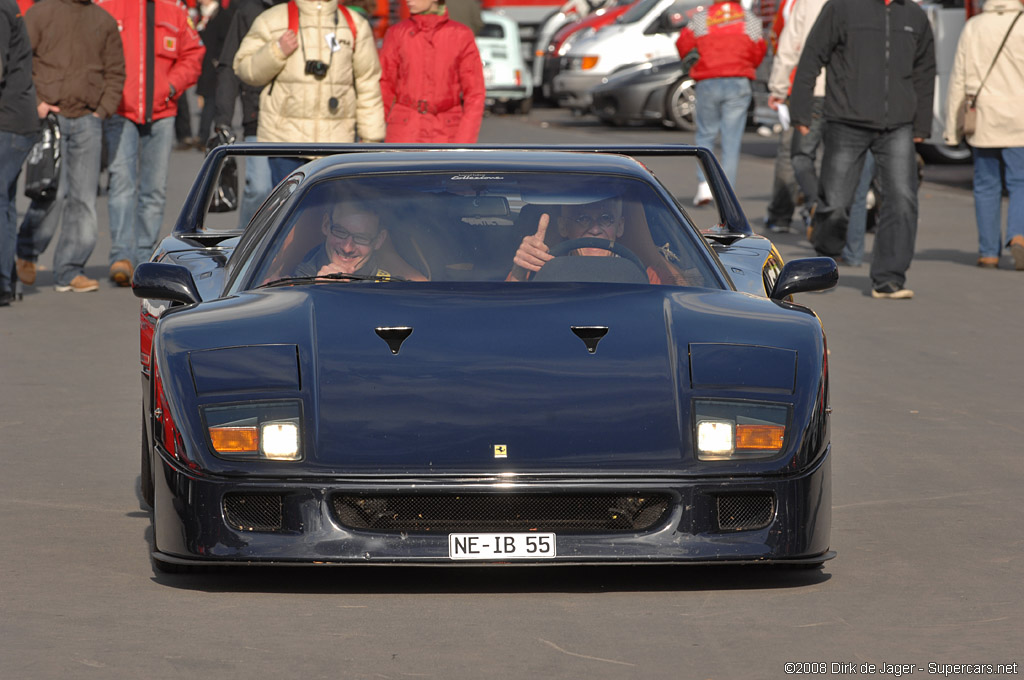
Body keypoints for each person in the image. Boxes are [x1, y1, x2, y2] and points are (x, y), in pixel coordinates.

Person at [789, 0, 935, 299]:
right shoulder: (841, 7)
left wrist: (921, 125)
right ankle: (825, 258)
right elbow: (812, 55)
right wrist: (800, 110)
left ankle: (889, 279)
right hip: (846, 119)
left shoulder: (914, 15)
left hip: (897, 124)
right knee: (836, 202)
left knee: (902, 200)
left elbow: (925, 70)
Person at [14, 0, 125, 294]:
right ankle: (26, 252)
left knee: (84, 200)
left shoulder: (104, 20)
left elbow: (116, 71)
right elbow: (21, 59)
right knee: (49, 193)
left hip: (89, 119)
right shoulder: (41, 12)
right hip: (50, 117)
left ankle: (69, 270)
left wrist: (102, 110)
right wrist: (36, 103)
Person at [96, 0, 204, 286]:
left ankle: (144, 258)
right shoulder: (110, 7)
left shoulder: (174, 10)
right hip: (121, 110)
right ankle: (121, 256)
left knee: (153, 188)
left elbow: (193, 53)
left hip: (162, 111)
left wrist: (170, 86)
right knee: (121, 183)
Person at [233, 0, 386, 185]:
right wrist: (277, 51)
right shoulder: (273, 19)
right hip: (285, 142)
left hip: (336, 144)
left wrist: (371, 139)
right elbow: (244, 68)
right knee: (291, 211)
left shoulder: (354, 24)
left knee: (329, 212)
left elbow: (368, 82)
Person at [943, 0, 1024, 270]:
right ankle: (1018, 235)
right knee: (1020, 182)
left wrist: (951, 131)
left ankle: (988, 252)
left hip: (982, 118)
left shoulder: (973, 27)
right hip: (1019, 119)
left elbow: (958, 79)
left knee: (986, 185)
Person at [674, 0, 766, 207]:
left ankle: (704, 186)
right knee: (731, 141)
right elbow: (759, 49)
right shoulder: (749, 19)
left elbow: (683, 43)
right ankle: (727, 194)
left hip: (708, 80)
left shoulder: (702, 18)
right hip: (738, 80)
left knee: (705, 135)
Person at [212, 0, 287, 228]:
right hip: (258, 116)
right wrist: (223, 119)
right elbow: (229, 66)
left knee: (293, 194)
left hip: (297, 118)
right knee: (259, 188)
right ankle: (245, 248)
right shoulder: (248, 12)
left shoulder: (305, 10)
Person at [378, 0, 485, 143]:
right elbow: (384, 86)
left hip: (447, 132)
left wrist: (464, 141)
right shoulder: (397, 33)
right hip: (404, 132)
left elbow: (475, 93)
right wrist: (373, 134)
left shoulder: (461, 35)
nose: (408, 1)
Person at [507, 197, 673, 284]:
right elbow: (509, 314)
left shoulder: (645, 275)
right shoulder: (538, 271)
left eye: (606, 218)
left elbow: (681, 305)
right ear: (563, 227)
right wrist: (519, 271)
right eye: (583, 219)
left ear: (620, 226)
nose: (595, 229)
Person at [0, 0, 38, 306]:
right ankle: (6, 279)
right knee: (5, 202)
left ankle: (2, 281)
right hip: (16, 119)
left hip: (9, 121)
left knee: (1, 201)